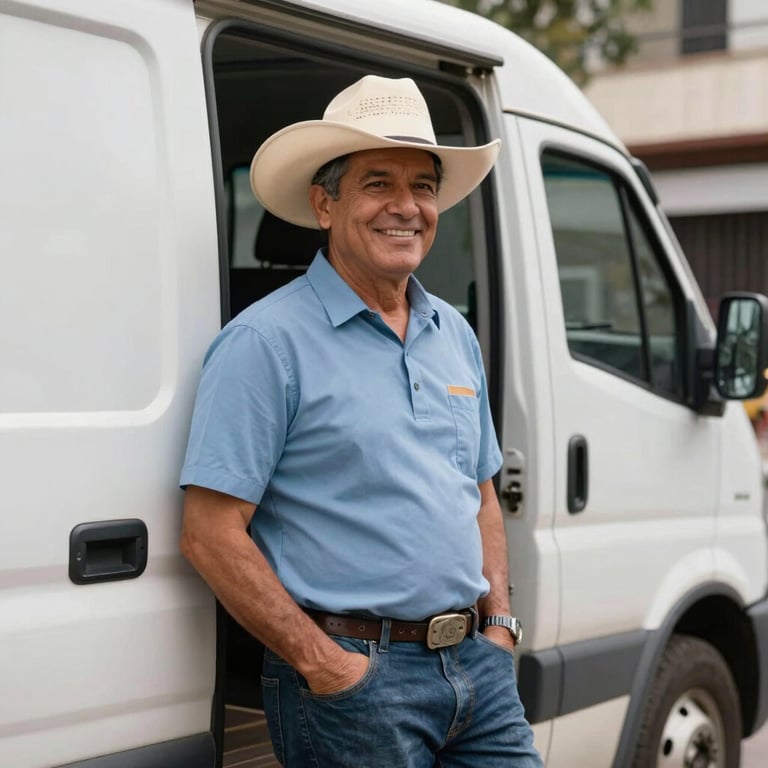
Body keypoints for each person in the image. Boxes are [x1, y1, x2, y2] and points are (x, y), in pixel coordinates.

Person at [179, 74, 542, 767]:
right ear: (324, 204)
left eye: (424, 187)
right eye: (378, 184)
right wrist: (325, 663)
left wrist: (497, 627)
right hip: (353, 680)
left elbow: (482, 495)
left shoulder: (452, 333)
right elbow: (209, 533)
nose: (407, 207)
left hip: (476, 670)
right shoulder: (265, 343)